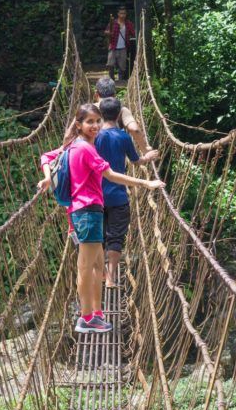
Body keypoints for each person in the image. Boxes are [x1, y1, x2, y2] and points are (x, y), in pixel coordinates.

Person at [38, 103, 164, 334]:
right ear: (79, 125)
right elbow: (111, 175)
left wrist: (47, 178)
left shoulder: (73, 145)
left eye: (97, 121)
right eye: (89, 122)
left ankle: (96, 313)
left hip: (86, 212)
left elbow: (46, 156)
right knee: (86, 267)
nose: (95, 126)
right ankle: (86, 319)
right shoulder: (85, 148)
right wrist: (146, 183)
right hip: (87, 212)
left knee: (96, 265)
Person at [96, 96, 152, 287]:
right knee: (116, 237)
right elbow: (136, 161)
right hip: (119, 195)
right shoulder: (124, 136)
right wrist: (149, 155)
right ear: (119, 114)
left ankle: (100, 274)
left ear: (100, 114)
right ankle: (111, 277)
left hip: (96, 196)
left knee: (99, 236)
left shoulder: (94, 137)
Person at [93, 76, 158, 161]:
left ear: (96, 94)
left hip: (92, 161)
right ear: (115, 94)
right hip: (114, 161)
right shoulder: (121, 110)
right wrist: (145, 150)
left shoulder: (88, 110)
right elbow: (135, 129)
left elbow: (73, 130)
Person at [105, 7, 135, 81]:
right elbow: (106, 31)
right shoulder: (113, 23)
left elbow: (133, 33)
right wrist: (108, 33)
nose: (123, 15)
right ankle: (111, 80)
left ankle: (120, 81)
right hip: (113, 47)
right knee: (110, 64)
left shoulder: (128, 24)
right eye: (121, 13)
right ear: (118, 14)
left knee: (122, 67)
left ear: (126, 14)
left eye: (124, 13)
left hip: (123, 48)